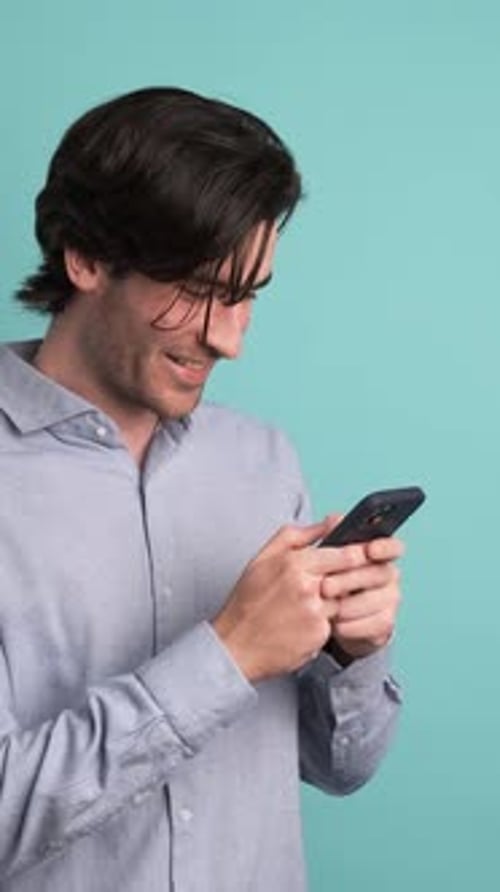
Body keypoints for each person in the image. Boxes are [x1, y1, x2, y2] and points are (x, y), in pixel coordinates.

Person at [0, 87, 403, 892]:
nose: (227, 338)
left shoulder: (263, 462)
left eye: (246, 296)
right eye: (198, 290)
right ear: (84, 259)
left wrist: (352, 656)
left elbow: (340, 771)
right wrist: (225, 657)